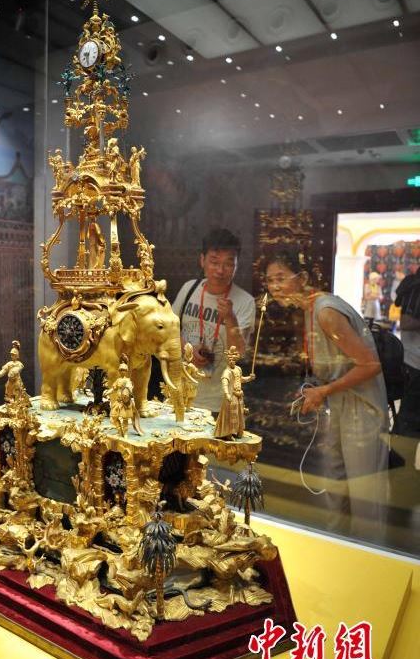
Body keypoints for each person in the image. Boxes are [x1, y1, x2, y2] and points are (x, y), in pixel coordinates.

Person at [265, 249, 389, 535]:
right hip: (338, 405)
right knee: (335, 487)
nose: (274, 287)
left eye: (281, 278)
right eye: (270, 280)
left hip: (361, 408)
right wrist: (316, 389)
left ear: (303, 278)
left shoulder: (326, 311)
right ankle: (337, 546)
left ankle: (369, 555)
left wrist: (325, 390)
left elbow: (370, 365)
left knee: (364, 496)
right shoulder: (309, 311)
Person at [171, 228, 255, 413]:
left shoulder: (245, 301)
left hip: (218, 403)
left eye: (229, 263)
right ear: (202, 260)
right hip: (179, 395)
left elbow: (239, 353)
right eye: (214, 262)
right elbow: (167, 331)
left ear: (237, 265)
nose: (220, 270)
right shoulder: (189, 288)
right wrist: (187, 349)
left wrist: (230, 318)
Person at [394, 267, 420, 438]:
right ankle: (399, 454)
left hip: (414, 360)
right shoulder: (416, 288)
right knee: (410, 419)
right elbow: (406, 322)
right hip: (415, 361)